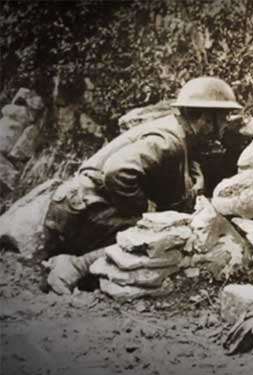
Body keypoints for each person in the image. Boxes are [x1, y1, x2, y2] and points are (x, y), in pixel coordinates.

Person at [42, 76, 242, 295]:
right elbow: (117, 172)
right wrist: (145, 209)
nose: (226, 123)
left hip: (75, 208)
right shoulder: (167, 141)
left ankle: (66, 261)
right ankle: (73, 267)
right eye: (222, 117)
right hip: (82, 213)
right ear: (204, 118)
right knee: (162, 233)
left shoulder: (174, 130)